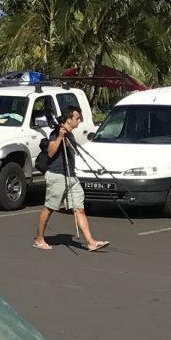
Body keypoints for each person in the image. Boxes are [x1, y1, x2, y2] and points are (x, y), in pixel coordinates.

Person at [33, 104, 107, 252]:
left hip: (71, 176)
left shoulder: (71, 135)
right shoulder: (55, 133)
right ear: (69, 119)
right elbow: (51, 153)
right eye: (77, 118)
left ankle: (91, 242)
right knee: (49, 208)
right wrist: (60, 136)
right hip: (57, 175)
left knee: (80, 209)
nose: (79, 121)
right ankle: (39, 238)